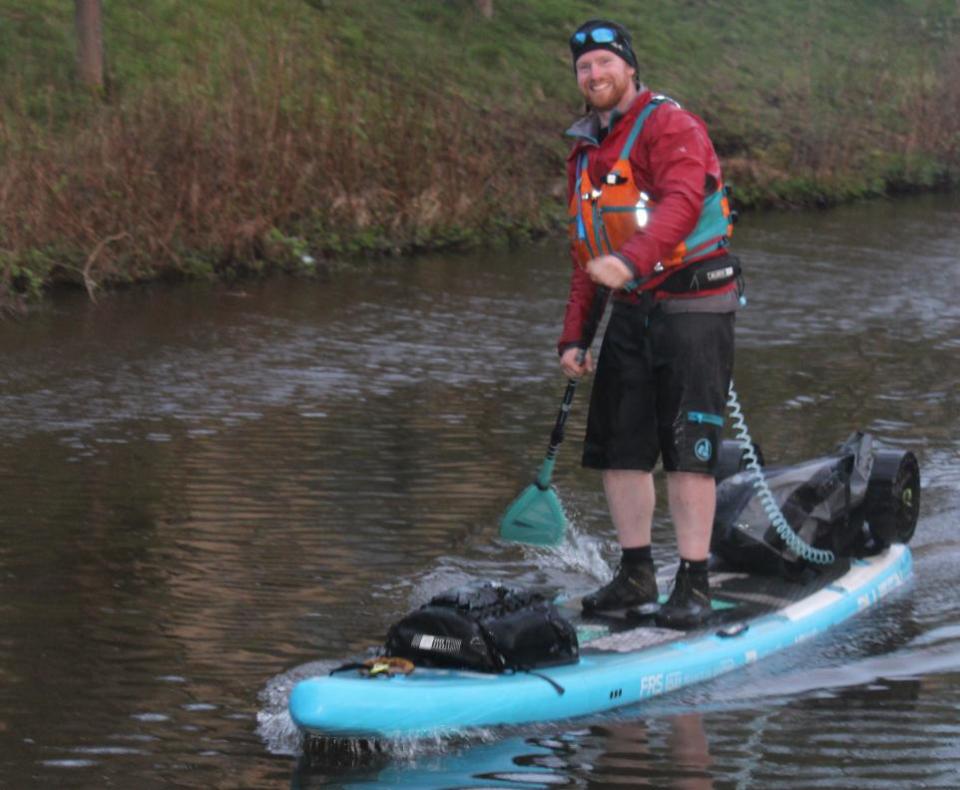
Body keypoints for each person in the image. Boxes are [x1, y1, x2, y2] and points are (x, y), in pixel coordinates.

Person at [559, 19, 741, 629]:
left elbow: (682, 202)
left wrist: (628, 261)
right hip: (634, 308)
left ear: (630, 68)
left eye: (604, 63)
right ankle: (637, 574)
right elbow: (589, 250)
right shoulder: (585, 150)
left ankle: (693, 582)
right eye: (584, 68)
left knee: (689, 452)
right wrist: (576, 336)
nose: (594, 75)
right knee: (620, 449)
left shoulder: (670, 125)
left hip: (695, 302)